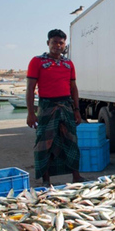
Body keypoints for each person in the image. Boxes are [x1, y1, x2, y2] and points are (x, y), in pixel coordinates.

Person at [26, 29, 86, 186]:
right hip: (46, 106)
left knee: (71, 141)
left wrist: (77, 111)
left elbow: (73, 88)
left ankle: (76, 176)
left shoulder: (68, 63)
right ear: (48, 43)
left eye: (61, 43)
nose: (57, 46)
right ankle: (46, 181)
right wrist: (31, 113)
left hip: (66, 106)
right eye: (54, 42)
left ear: (64, 45)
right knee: (44, 143)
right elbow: (30, 89)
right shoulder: (36, 61)